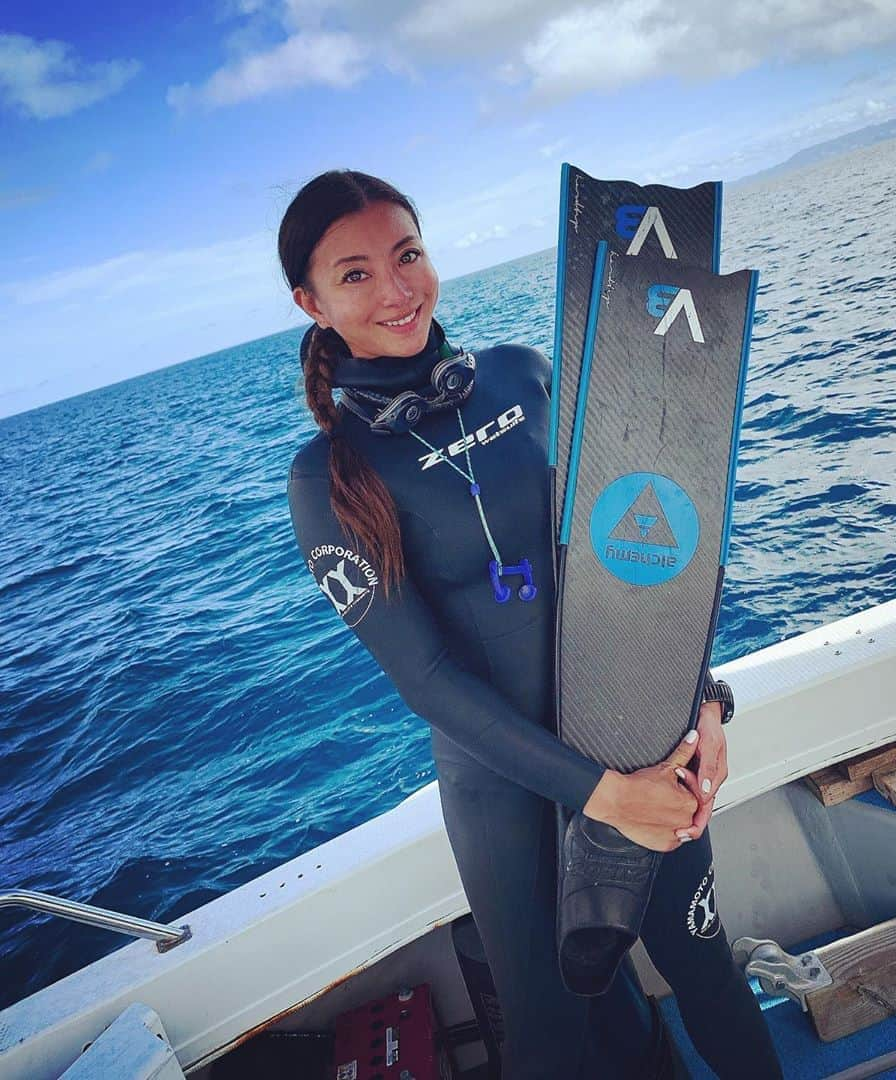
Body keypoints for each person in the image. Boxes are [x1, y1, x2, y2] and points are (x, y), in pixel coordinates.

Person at [280, 169, 784, 1079]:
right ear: (309, 302)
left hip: (638, 735)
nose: (397, 290)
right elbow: (426, 680)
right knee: (557, 1042)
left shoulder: (526, 371)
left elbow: (652, 547)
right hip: (504, 794)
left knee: (704, 970)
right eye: (355, 275)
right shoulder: (327, 477)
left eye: (408, 254)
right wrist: (605, 795)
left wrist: (704, 702)